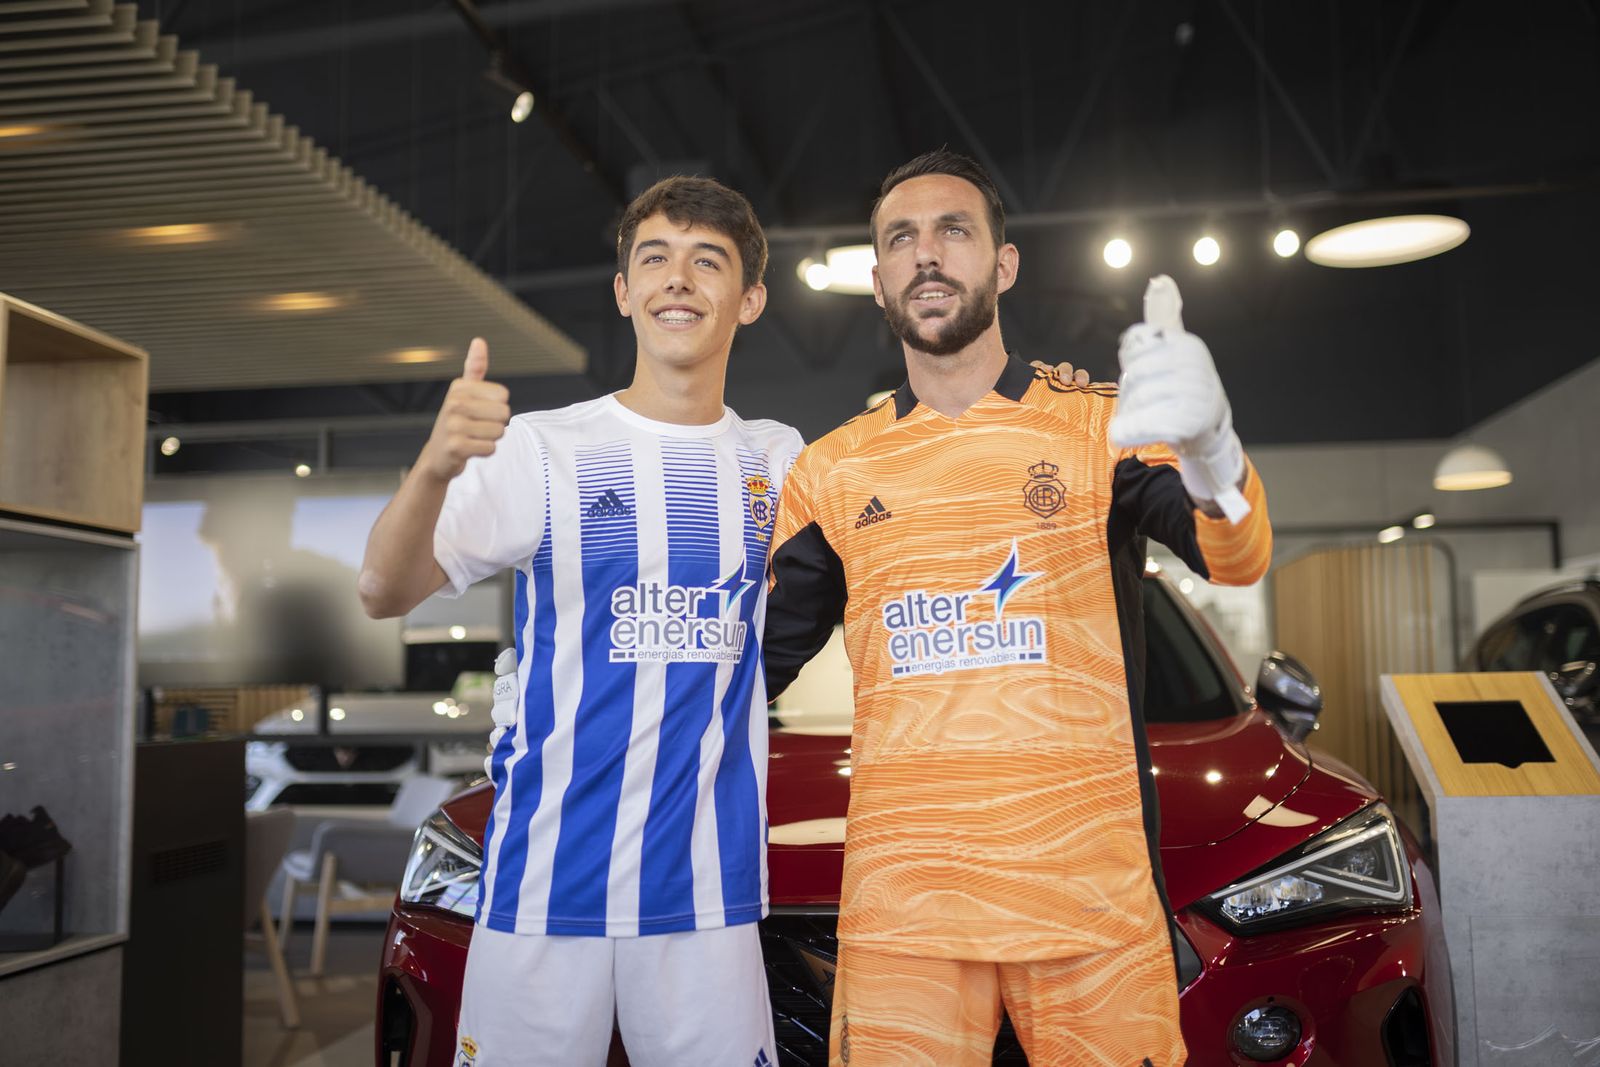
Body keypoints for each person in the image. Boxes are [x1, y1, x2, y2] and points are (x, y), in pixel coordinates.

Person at [763, 148, 1273, 1067]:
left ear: (1003, 264)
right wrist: (586, 689)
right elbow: (747, 661)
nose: (927, 255)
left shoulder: (1102, 424)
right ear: (877, 278)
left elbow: (1234, 557)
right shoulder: (829, 471)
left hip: (1090, 912)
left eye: (953, 230)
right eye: (900, 239)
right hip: (906, 918)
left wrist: (1215, 453)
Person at [358, 176, 800, 1067]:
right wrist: (436, 465)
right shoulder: (544, 448)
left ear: (748, 300)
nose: (678, 278)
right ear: (623, 291)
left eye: (707, 261)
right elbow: (381, 589)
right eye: (655, 258)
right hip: (543, 888)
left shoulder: (778, 460)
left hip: (704, 899)